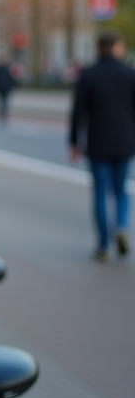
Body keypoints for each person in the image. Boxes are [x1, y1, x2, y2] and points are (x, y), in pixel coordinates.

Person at [68, 31, 135, 261]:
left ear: (98, 48)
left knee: (99, 193)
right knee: (121, 190)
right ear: (116, 47)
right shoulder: (130, 74)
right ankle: (121, 227)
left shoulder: (88, 75)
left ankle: (103, 245)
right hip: (125, 142)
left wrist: (74, 142)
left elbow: (78, 112)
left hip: (97, 143)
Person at [0, 55, 17, 125]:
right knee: (1, 102)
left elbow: (11, 79)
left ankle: (3, 114)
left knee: (4, 102)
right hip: (0, 89)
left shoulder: (6, 69)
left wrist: (11, 86)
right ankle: (1, 114)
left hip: (5, 89)